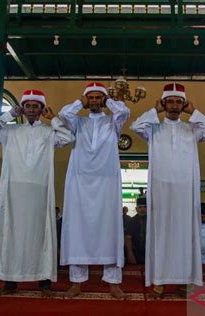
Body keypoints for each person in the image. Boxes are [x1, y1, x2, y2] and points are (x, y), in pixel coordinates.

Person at [0, 89, 74, 297]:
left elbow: (68, 137)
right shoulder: (10, 131)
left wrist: (54, 119)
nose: (31, 110)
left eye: (35, 106)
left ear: (42, 110)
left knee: (41, 234)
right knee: (12, 233)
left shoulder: (49, 132)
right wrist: (8, 116)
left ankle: (44, 283)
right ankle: (10, 281)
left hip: (40, 191)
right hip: (14, 191)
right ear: (22, 109)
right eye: (28, 106)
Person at [130, 83, 205, 297]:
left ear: (184, 104)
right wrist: (155, 110)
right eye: (171, 101)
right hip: (161, 191)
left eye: (179, 102)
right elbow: (135, 126)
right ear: (163, 103)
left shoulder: (192, 129)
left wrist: (193, 112)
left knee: (185, 235)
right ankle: (159, 282)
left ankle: (185, 281)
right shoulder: (153, 128)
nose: (175, 105)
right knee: (161, 234)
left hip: (186, 193)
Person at [59, 82, 130, 299]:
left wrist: (107, 99)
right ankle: (77, 283)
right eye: (92, 98)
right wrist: (81, 101)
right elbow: (63, 114)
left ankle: (113, 283)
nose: (96, 101)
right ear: (86, 100)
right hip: (80, 183)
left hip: (107, 183)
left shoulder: (113, 122)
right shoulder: (77, 122)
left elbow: (124, 110)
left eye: (99, 98)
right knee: (78, 230)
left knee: (110, 230)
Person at [124, 197, 147, 265]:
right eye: (140, 207)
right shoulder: (131, 221)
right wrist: (130, 254)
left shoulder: (152, 221)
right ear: (136, 209)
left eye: (145, 207)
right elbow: (128, 239)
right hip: (135, 254)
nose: (142, 209)